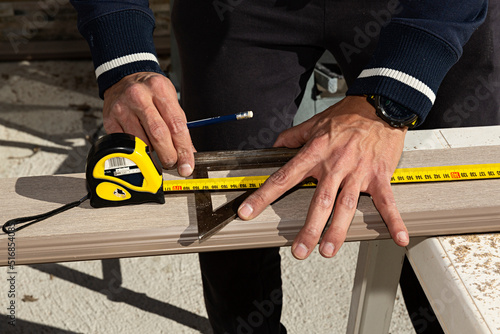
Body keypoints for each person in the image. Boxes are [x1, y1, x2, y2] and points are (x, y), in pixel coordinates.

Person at [70, 1, 498, 333]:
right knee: (228, 220)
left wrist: (393, 96)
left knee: (455, 234)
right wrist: (122, 59)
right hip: (239, 12)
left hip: (427, 9)